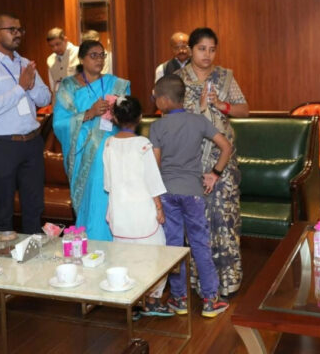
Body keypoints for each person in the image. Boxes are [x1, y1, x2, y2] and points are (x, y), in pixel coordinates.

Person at [150, 74, 233, 317]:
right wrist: (215, 173)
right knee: (200, 245)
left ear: (165, 100)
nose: (155, 101)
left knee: (173, 247)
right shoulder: (198, 121)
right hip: (194, 194)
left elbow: (154, 166)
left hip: (167, 194)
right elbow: (226, 147)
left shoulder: (157, 127)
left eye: (156, 98)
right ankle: (210, 300)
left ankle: (179, 299)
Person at [176, 27, 249, 297]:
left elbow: (244, 109)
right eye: (201, 49)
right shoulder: (178, 80)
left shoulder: (224, 77)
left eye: (212, 49)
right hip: (190, 159)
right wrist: (197, 107)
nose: (207, 54)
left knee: (225, 218)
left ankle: (227, 281)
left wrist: (221, 104)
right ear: (190, 50)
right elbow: (168, 114)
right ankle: (199, 282)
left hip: (222, 159)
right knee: (195, 219)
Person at [0, 13, 51, 234]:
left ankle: (34, 250)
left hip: (32, 143)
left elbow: (45, 98)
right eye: (12, 30)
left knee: (34, 206)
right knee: (4, 207)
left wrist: (31, 86)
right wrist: (19, 89)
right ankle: (4, 253)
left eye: (19, 30)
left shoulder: (25, 63)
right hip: (4, 144)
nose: (17, 34)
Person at [103, 95, 173, 318]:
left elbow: (108, 183)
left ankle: (131, 302)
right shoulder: (143, 145)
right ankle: (152, 300)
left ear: (115, 118)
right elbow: (152, 181)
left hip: (120, 211)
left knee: (124, 256)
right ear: (140, 117)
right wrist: (159, 208)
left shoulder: (109, 144)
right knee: (155, 254)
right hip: (143, 211)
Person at [53, 39, 129, 240]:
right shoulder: (68, 86)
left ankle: (115, 240)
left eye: (102, 55)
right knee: (94, 195)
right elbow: (60, 123)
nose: (99, 60)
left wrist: (117, 112)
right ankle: (94, 240)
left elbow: (128, 117)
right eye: (93, 55)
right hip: (83, 152)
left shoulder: (116, 84)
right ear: (81, 59)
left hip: (113, 148)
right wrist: (90, 113)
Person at [46, 28, 79, 94]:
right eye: (52, 46)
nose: (55, 48)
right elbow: (53, 86)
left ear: (65, 40)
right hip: (61, 97)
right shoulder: (50, 60)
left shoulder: (79, 53)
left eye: (58, 44)